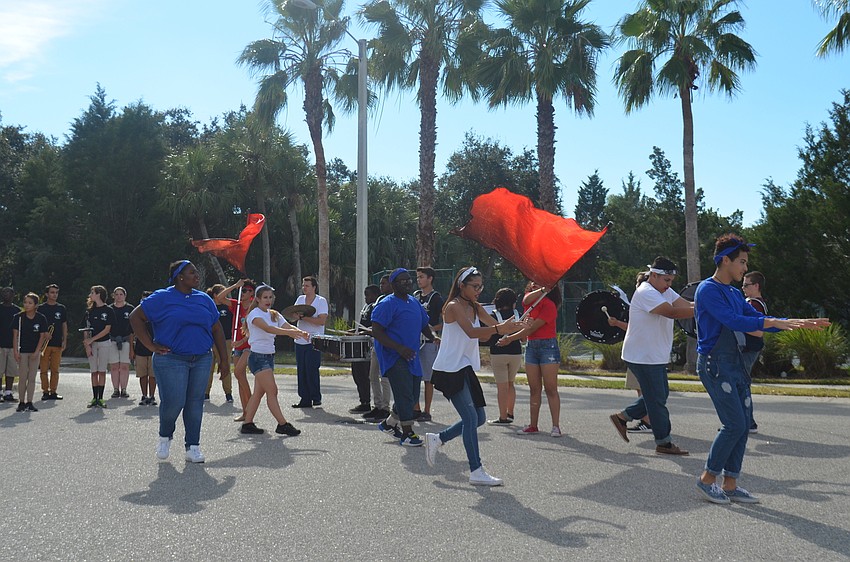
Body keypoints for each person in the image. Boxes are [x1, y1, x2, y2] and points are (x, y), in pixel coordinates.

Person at [694, 235, 829, 504]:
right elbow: (734, 320)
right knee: (734, 424)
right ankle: (707, 480)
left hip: (735, 364)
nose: (745, 268)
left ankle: (730, 484)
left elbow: (756, 318)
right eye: (742, 262)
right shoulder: (707, 290)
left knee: (744, 425)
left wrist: (795, 322)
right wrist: (775, 323)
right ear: (725, 260)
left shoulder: (734, 293)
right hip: (715, 365)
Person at [424, 267, 525, 486]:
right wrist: (499, 329)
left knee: (478, 418)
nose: (479, 290)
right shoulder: (453, 306)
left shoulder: (475, 306)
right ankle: (476, 470)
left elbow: (493, 328)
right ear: (462, 286)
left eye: (481, 286)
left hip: (464, 367)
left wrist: (513, 328)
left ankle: (439, 438)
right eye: (475, 286)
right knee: (470, 419)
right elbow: (472, 333)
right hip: (449, 369)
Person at [129, 260, 230, 463]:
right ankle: (165, 436)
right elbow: (135, 317)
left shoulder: (204, 299)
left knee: (195, 402)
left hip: (202, 358)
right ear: (179, 277)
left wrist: (224, 360)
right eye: (192, 272)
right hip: (171, 358)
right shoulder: (162, 297)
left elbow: (217, 328)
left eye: (197, 272)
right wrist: (150, 345)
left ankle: (193, 447)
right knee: (174, 402)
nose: (197, 275)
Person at [608, 258, 694, 455]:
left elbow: (686, 305)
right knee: (657, 401)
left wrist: (708, 304)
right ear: (653, 275)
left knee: (659, 395)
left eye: (671, 280)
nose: (669, 285)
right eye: (666, 280)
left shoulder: (664, 290)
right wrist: (704, 310)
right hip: (642, 356)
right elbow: (672, 312)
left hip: (653, 355)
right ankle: (664, 443)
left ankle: (623, 417)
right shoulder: (646, 291)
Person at [371, 268, 435, 446]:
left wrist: (433, 338)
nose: (407, 283)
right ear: (393, 285)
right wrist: (398, 348)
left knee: (412, 396)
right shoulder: (387, 303)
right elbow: (377, 331)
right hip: (393, 356)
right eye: (402, 281)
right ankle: (407, 434)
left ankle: (389, 424)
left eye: (409, 280)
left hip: (411, 355)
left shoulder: (414, 302)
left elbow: (424, 324)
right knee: (405, 394)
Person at [239, 285, 307, 436]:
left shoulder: (274, 314)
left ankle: (247, 424)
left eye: (270, 297)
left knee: (258, 393)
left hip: (269, 357)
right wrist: (289, 333)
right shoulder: (254, 315)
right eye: (265, 297)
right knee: (272, 391)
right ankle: (282, 424)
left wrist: (301, 332)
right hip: (258, 358)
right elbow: (268, 329)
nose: (268, 300)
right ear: (257, 299)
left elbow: (287, 326)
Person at [499, 281, 563, 437]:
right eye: (533, 282)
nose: (534, 284)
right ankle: (533, 425)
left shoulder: (549, 305)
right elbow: (526, 300)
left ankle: (556, 426)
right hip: (532, 347)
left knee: (550, 388)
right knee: (534, 389)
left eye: (539, 283)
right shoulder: (530, 302)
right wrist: (542, 288)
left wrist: (510, 339)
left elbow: (532, 328)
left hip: (548, 347)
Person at [214, 279, 255, 420]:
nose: (243, 293)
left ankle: (251, 401)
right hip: (237, 346)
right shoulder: (236, 305)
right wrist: (235, 286)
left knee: (238, 372)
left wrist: (242, 341)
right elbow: (220, 298)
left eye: (246, 290)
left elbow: (253, 330)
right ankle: (245, 412)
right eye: (242, 290)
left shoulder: (255, 307)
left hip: (249, 346)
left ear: (252, 293)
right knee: (240, 377)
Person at [485, 288, 523, 425]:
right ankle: (510, 413)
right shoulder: (519, 315)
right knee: (510, 383)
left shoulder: (493, 316)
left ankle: (502, 417)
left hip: (498, 353)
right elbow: (523, 338)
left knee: (502, 386)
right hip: (516, 353)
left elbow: (487, 336)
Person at [291, 275, 328, 409]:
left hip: (314, 340)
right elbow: (293, 316)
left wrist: (304, 318)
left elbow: (321, 321)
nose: (304, 288)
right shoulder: (300, 299)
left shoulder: (321, 301)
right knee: (301, 370)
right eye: (303, 285)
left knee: (312, 369)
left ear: (314, 287)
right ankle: (304, 399)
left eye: (307, 285)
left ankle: (315, 397)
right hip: (300, 339)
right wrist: (296, 317)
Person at [414, 267, 443, 422]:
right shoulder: (415, 296)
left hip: (429, 341)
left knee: (428, 378)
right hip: (414, 341)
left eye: (422, 277)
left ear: (430, 278)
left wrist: (432, 330)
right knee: (414, 376)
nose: (418, 280)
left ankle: (427, 410)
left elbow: (445, 321)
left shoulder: (436, 298)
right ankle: (416, 408)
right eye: (417, 277)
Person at [362, 275, 393, 421]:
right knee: (372, 375)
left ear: (391, 284)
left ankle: (386, 408)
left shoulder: (394, 300)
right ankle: (378, 405)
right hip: (377, 343)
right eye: (380, 283)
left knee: (384, 377)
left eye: (384, 283)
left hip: (387, 343)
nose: (381, 286)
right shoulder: (380, 299)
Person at [12, 292, 49, 412]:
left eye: (30, 303)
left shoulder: (41, 318)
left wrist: (37, 351)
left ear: (35, 305)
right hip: (22, 351)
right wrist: (15, 351)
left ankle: (29, 402)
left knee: (32, 377)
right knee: (22, 377)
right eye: (25, 302)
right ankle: (21, 402)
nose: (27, 305)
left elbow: (42, 336)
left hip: (34, 351)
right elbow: (15, 336)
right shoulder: (18, 317)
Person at [81, 285, 115, 408]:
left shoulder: (109, 310)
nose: (90, 295)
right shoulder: (89, 311)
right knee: (94, 371)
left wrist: (93, 339)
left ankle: (101, 398)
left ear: (99, 294)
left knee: (102, 371)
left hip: (104, 343)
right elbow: (85, 329)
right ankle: (94, 398)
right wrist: (87, 344)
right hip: (92, 345)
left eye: (92, 292)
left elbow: (107, 329)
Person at [741, 271, 767, 433]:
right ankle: (744, 422)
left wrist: (736, 324)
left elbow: (758, 331)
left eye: (746, 285)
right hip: (749, 348)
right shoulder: (754, 303)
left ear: (756, 286)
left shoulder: (754, 304)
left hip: (749, 348)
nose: (743, 288)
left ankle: (748, 422)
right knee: (741, 383)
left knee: (741, 384)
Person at [348, 284, 380, 415]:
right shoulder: (366, 307)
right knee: (356, 373)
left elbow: (374, 327)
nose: (366, 298)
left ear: (375, 295)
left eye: (368, 295)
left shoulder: (376, 307)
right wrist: (353, 331)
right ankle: (363, 400)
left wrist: (364, 332)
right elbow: (362, 326)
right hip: (359, 344)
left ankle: (366, 402)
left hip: (368, 345)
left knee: (364, 375)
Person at [38, 284, 67, 401]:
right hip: (44, 344)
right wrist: (44, 333)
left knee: (55, 369)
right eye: (52, 292)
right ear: (47, 294)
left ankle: (53, 391)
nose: (54, 295)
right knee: (44, 369)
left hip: (57, 343)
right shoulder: (41, 308)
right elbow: (38, 324)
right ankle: (45, 391)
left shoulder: (61, 308)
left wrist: (65, 339)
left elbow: (64, 325)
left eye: (56, 292)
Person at [206, 284, 234, 403]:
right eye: (222, 292)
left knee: (225, 365)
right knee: (208, 367)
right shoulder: (209, 306)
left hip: (226, 340)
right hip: (210, 341)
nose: (225, 295)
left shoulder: (228, 307)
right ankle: (205, 393)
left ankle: (228, 393)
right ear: (215, 295)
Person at [108, 287, 135, 399]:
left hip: (126, 340)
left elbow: (133, 327)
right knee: (114, 366)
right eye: (117, 294)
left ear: (125, 296)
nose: (119, 296)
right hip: (112, 340)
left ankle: (124, 389)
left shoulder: (130, 309)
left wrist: (132, 344)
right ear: (113, 296)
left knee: (124, 366)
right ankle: (115, 389)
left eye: (121, 294)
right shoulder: (109, 309)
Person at [134, 291, 157, 406]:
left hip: (154, 350)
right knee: (142, 374)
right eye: (142, 300)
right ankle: (144, 395)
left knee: (153, 375)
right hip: (140, 349)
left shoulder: (157, 315)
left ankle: (152, 396)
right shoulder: (137, 315)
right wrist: (131, 350)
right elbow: (131, 333)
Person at [0, 287, 19, 402]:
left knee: (11, 370)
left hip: (13, 345)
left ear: (13, 295)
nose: (6, 294)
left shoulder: (17, 310)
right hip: (0, 344)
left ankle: (8, 392)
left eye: (8, 292)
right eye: (3, 292)